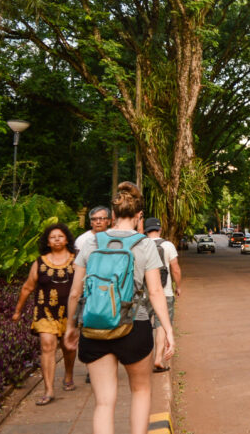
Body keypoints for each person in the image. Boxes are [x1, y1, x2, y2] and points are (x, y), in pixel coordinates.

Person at [64, 182, 175, 434]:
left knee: (103, 402)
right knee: (141, 390)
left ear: (112, 216)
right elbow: (156, 291)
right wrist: (167, 330)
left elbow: (75, 291)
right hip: (135, 324)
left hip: (94, 326)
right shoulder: (145, 244)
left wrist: (71, 326)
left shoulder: (91, 243)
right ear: (139, 217)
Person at [12, 223, 79, 405]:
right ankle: (48, 390)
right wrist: (18, 310)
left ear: (66, 239)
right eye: (52, 237)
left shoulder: (77, 260)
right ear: (47, 242)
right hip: (45, 312)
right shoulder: (40, 263)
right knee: (47, 346)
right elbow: (27, 287)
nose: (57, 239)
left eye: (60, 236)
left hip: (70, 312)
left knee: (68, 347)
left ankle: (68, 374)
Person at [143, 217, 181, 373]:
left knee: (143, 325)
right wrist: (178, 286)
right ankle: (158, 359)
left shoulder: (140, 245)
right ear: (160, 229)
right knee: (161, 326)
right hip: (164, 292)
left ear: (145, 230)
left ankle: (142, 361)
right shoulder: (168, 245)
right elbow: (176, 269)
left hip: (144, 294)